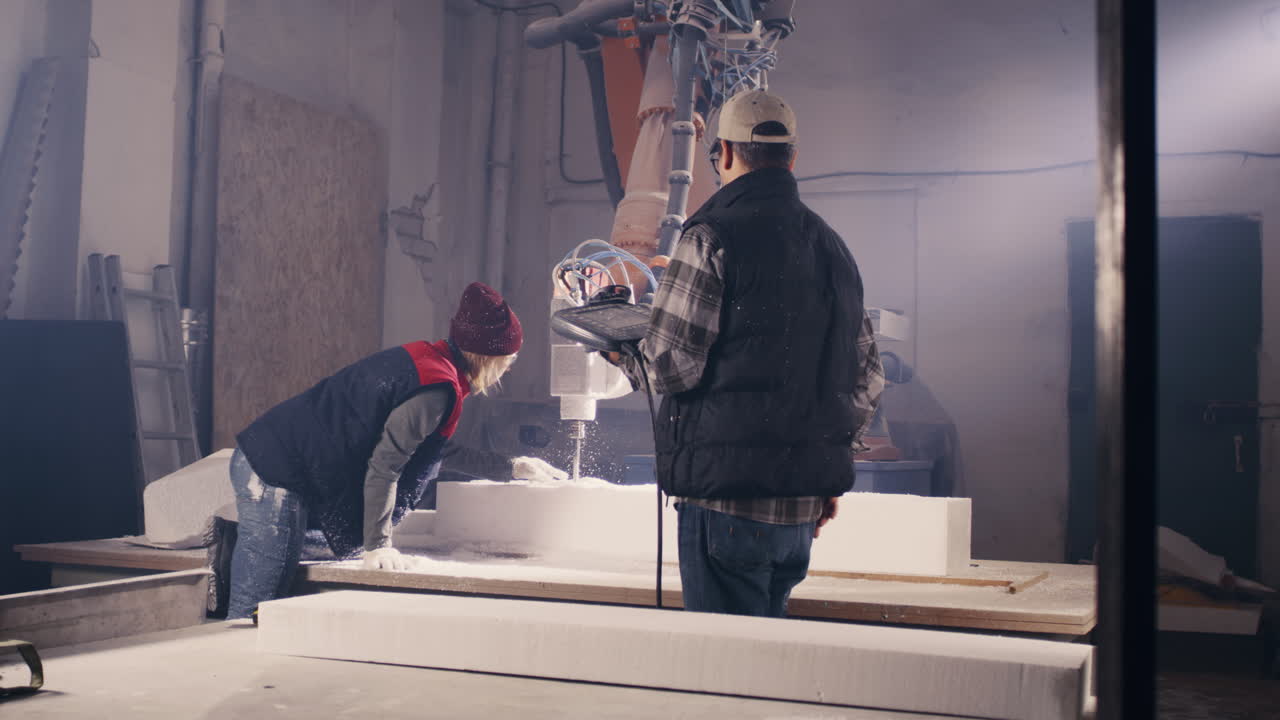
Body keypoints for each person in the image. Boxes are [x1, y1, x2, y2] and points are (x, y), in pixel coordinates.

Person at [614, 89, 884, 618]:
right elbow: (866, 380)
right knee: (764, 671)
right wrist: (822, 477)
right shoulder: (833, 248)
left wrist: (619, 347)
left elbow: (669, 365)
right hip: (803, 514)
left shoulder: (713, 234)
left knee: (725, 681)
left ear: (727, 154)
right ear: (793, 158)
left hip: (726, 508)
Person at [225, 282, 566, 619]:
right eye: (508, 361)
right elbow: (386, 467)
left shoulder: (431, 360)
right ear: (488, 358)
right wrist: (378, 545)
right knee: (255, 607)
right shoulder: (437, 388)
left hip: (284, 466)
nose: (508, 368)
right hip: (274, 471)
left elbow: (433, 451)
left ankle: (236, 542)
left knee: (312, 553)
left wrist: (512, 467)